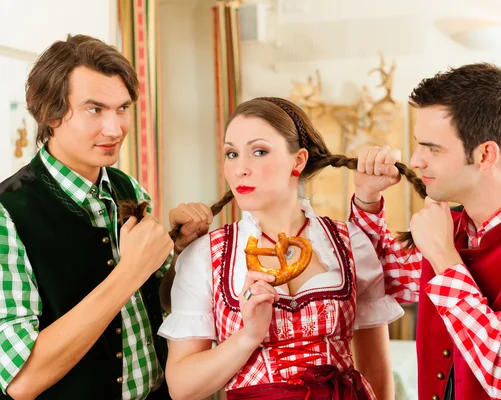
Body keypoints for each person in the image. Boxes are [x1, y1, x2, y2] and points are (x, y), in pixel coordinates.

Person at [350, 63, 501, 400]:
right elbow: (380, 286)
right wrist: (367, 199)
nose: (415, 160)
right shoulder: (445, 225)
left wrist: (444, 257)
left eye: (432, 148)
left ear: (485, 154)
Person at [0, 34, 211, 399]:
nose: (115, 129)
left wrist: (182, 254)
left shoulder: (128, 187)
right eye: (95, 110)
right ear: (50, 114)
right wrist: (128, 274)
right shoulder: (8, 213)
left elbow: (161, 299)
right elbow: (21, 381)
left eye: (122, 109)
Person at [158, 97, 404, 400]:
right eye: (231, 154)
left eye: (259, 152)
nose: (240, 169)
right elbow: (182, 387)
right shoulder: (204, 255)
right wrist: (247, 337)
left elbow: (375, 371)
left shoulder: (350, 242)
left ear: (297, 161)